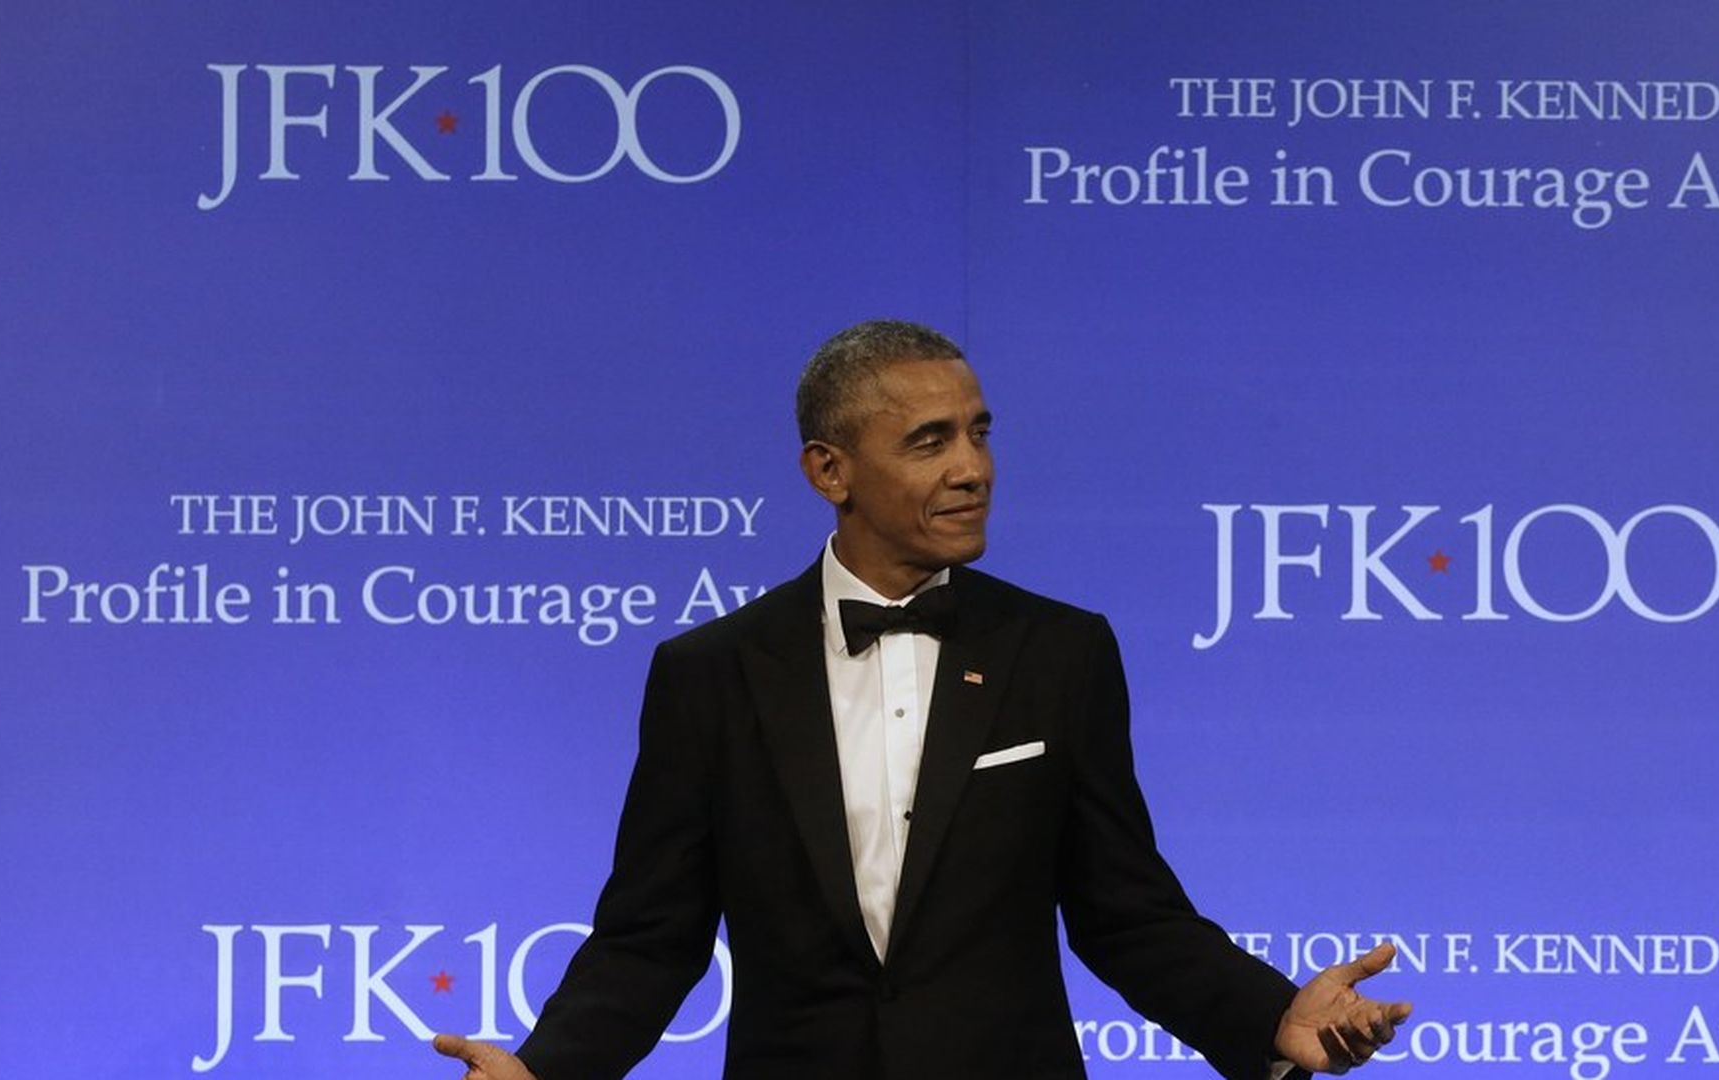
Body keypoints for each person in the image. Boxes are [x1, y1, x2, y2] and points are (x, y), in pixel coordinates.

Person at [434, 320, 1410, 1079]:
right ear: (831, 470)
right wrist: (546, 1068)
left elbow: (1127, 912)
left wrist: (1270, 1019)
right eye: (929, 441)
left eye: (979, 434)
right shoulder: (713, 673)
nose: (972, 469)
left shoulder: (1057, 652)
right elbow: (652, 937)